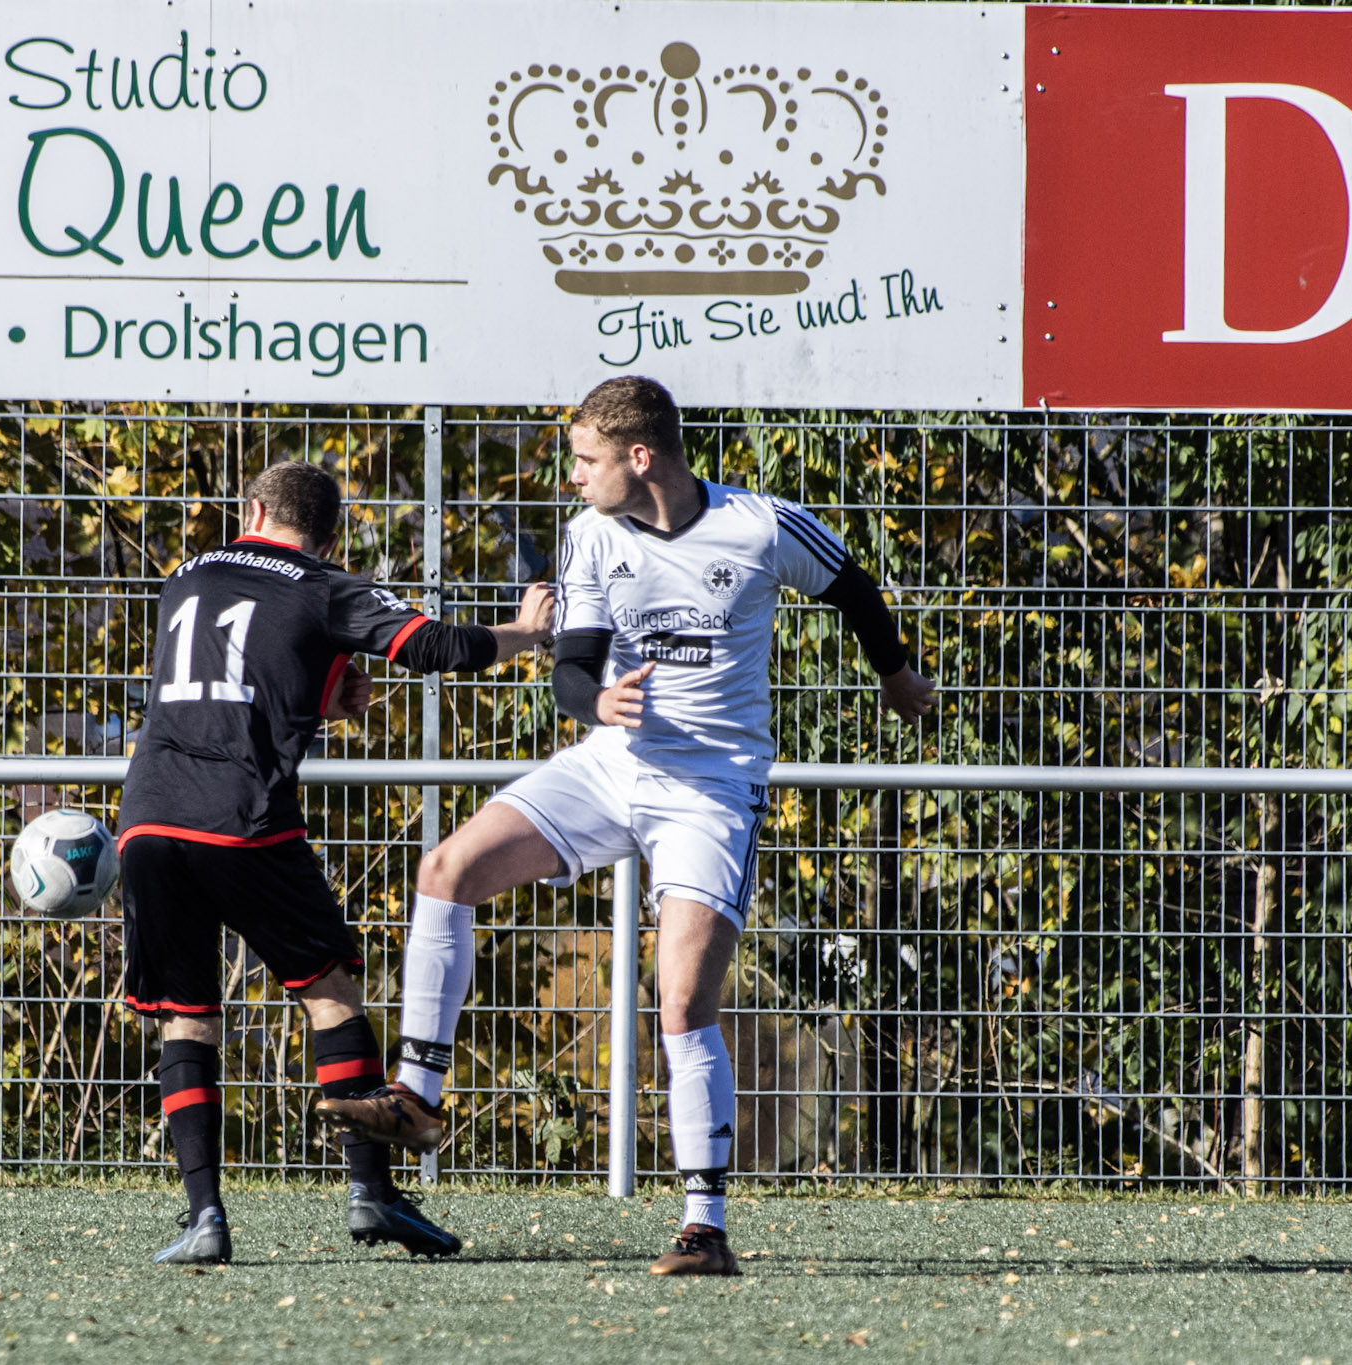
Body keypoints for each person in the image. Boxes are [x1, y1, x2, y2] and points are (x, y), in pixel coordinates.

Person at [318, 376, 936, 1275]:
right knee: (446, 869)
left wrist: (896, 675)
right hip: (609, 765)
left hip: (709, 789)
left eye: (585, 459)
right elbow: (573, 669)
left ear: (639, 457)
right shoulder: (592, 534)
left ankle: (704, 1228)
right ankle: (416, 1097)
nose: (573, 476)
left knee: (681, 1001)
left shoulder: (761, 525)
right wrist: (599, 701)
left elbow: (853, 590)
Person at [120, 459, 555, 1265]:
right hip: (242, 818)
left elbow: (229, 676)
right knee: (329, 991)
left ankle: (204, 1215)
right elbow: (433, 645)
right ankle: (371, 1193)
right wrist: (525, 632)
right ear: (328, 535)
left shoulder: (186, 575)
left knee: (186, 1014)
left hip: (147, 817)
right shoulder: (323, 583)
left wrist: (326, 687)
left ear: (253, 511)